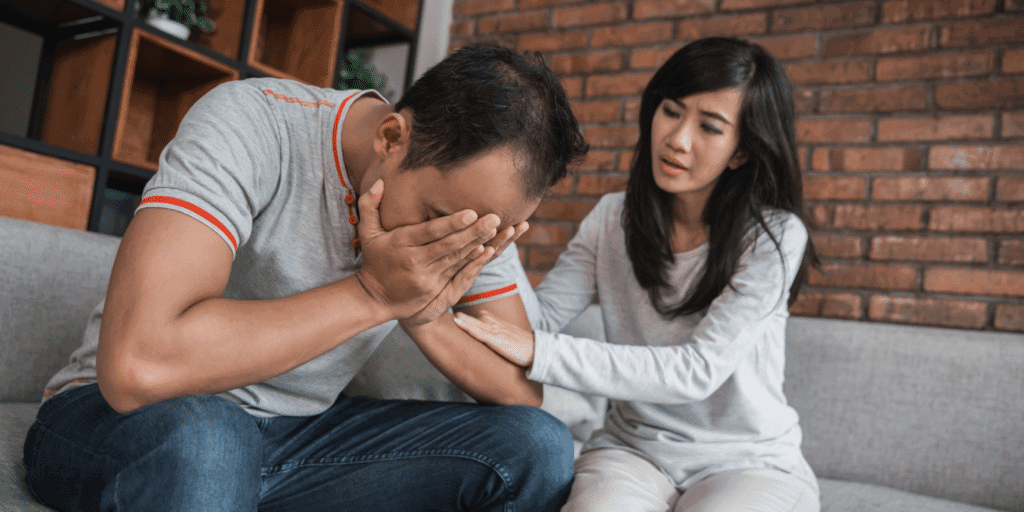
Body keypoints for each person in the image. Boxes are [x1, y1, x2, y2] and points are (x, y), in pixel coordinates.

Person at [23, 44, 588, 511]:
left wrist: (421, 307)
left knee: (534, 447)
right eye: (439, 222)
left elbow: (520, 390)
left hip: (299, 438)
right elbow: (136, 365)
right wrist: (372, 293)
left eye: (483, 238)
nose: (451, 248)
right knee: (207, 441)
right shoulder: (254, 121)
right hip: (127, 418)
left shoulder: (472, 209)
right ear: (391, 139)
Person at [454, 37, 822, 512]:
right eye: (671, 111)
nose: (678, 139)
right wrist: (496, 244)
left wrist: (540, 351)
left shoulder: (773, 236)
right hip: (634, 450)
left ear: (741, 152)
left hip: (749, 460)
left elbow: (697, 371)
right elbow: (538, 323)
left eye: (710, 127)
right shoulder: (612, 218)